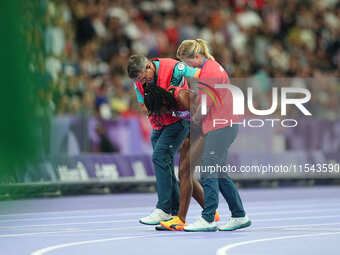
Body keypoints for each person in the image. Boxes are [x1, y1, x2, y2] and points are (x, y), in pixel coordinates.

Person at [172, 39, 251, 232]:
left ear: (197, 57)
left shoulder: (209, 73)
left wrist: (187, 115)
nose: (187, 67)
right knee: (220, 172)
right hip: (224, 124)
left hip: (221, 126)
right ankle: (239, 215)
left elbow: (204, 108)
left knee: (208, 168)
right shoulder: (212, 67)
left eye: (187, 63)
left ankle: (207, 218)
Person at [127, 55, 204, 225]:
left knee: (160, 157)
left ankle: (163, 209)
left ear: (149, 67)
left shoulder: (175, 69)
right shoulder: (138, 81)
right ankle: (175, 213)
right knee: (167, 166)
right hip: (158, 123)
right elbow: (142, 105)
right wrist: (150, 109)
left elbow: (200, 74)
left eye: (143, 78)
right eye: (139, 81)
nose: (143, 83)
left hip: (179, 121)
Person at [143, 84, 220, 231]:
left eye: (161, 110)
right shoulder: (167, 103)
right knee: (183, 174)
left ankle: (180, 219)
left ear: (164, 102)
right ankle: (211, 211)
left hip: (209, 128)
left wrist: (191, 138)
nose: (162, 114)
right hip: (194, 131)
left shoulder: (181, 97)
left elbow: (201, 119)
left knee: (185, 170)